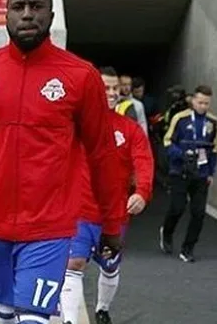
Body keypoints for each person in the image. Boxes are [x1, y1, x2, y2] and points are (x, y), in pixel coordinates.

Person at [0, 0, 126, 324]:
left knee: (33, 319)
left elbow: (103, 156)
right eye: (18, 7)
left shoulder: (80, 76)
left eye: (36, 7)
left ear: (51, 15)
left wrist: (112, 222)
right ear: (5, 15)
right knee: (4, 315)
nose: (27, 14)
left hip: (49, 229)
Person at [59, 66, 154, 324]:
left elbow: (144, 162)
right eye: (105, 88)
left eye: (115, 88)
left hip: (114, 216)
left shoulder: (130, 129)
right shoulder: (75, 126)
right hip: (79, 213)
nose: (111, 93)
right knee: (73, 264)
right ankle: (69, 319)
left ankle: (102, 309)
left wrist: (142, 192)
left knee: (110, 267)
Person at [159, 85, 217, 263]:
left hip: (201, 173)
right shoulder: (181, 118)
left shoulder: (213, 122)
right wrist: (181, 155)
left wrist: (211, 172)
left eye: (206, 103)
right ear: (193, 101)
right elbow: (167, 140)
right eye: (200, 102)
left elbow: (215, 149)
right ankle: (167, 232)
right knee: (178, 207)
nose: (203, 106)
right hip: (180, 170)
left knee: (199, 212)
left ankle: (188, 248)